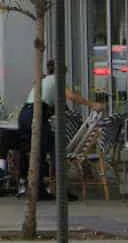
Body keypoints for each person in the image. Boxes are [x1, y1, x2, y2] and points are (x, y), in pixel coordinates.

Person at [17, 59, 99, 199]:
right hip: (35, 114)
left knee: (37, 151)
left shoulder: (44, 80)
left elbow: (53, 104)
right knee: (56, 149)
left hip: (25, 114)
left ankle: (35, 187)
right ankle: (59, 189)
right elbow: (71, 96)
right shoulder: (56, 80)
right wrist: (92, 104)